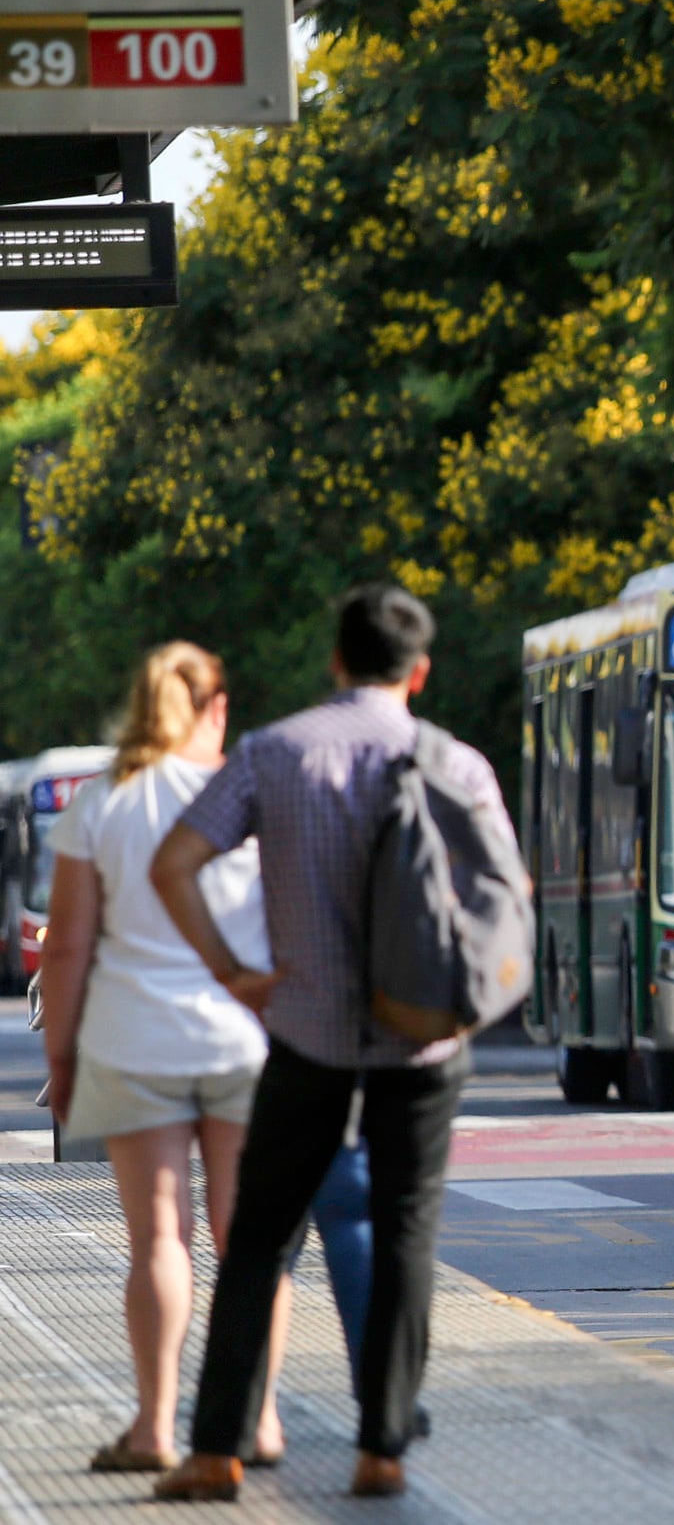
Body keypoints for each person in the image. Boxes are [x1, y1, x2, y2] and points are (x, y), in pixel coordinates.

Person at [150, 586, 514, 1503]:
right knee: (404, 1233)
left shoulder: (273, 753)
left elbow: (174, 863)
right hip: (423, 1042)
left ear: (335, 661)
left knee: (260, 1239)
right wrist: (468, 1000)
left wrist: (234, 972)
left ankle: (214, 1452)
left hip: (304, 1035)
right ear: (419, 671)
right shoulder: (457, 763)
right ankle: (382, 1446)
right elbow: (504, 895)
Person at [38, 643, 290, 1475]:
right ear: (215, 708)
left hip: (131, 1040)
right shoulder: (244, 795)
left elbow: (68, 946)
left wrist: (63, 1057)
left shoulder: (101, 804)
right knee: (245, 1238)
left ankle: (153, 1426)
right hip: (241, 1040)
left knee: (158, 1238)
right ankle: (257, 1419)